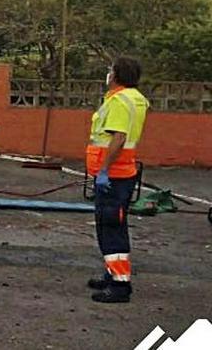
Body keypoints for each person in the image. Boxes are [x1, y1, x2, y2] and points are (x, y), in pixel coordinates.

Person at [86, 57, 149, 304]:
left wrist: (104, 170)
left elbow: (119, 137)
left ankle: (120, 286)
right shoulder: (134, 98)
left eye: (111, 70)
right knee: (112, 225)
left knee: (111, 227)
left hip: (113, 176)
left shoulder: (121, 101)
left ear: (117, 74)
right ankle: (112, 274)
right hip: (120, 174)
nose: (108, 74)